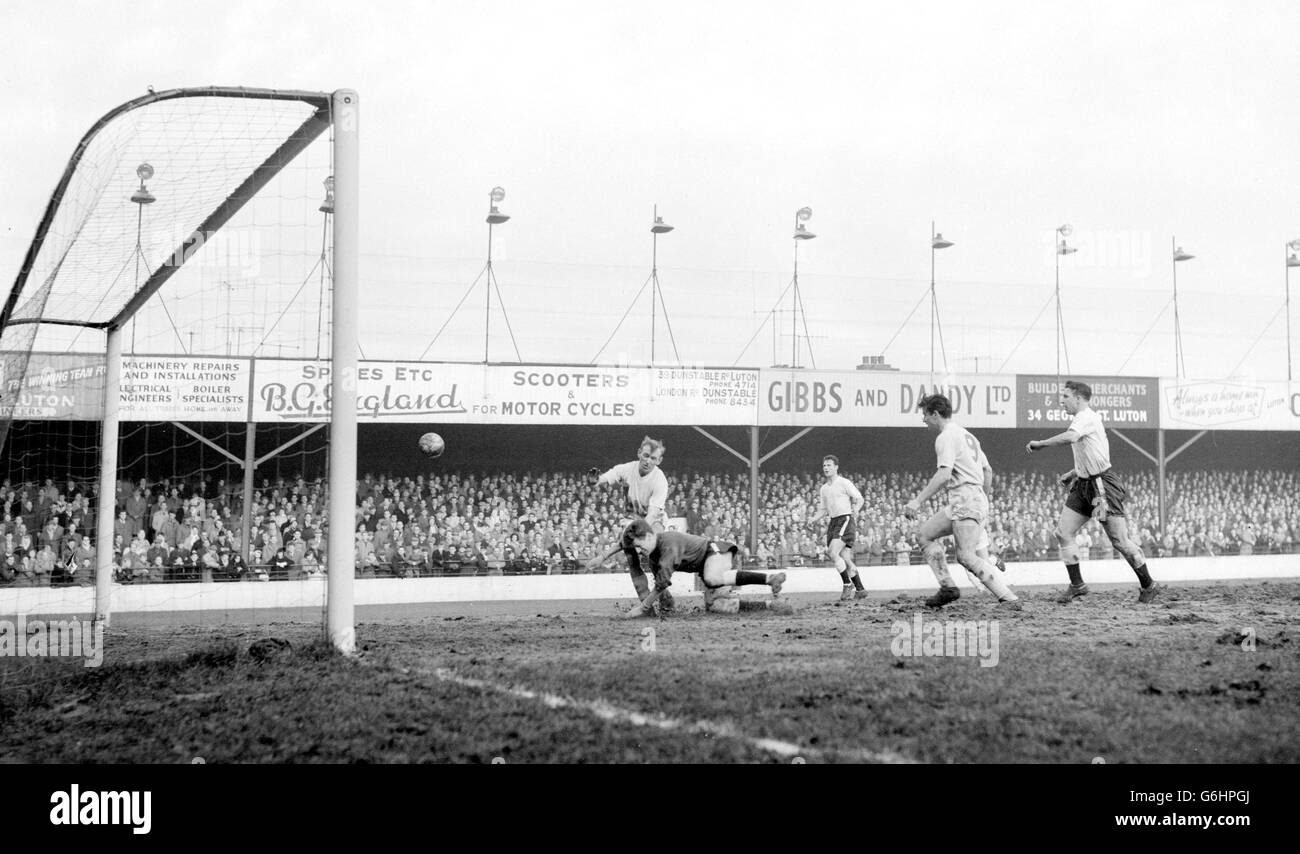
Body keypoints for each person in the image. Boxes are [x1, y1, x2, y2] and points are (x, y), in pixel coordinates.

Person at [1026, 379, 1160, 604]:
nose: (1061, 401)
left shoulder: (1086, 417)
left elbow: (1071, 437)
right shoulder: (1082, 419)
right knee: (1063, 532)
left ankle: (1149, 584)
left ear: (1078, 398)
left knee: (1119, 541)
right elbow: (1091, 453)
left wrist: (1041, 443)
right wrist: (1074, 472)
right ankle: (1077, 585)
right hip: (1083, 484)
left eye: (1065, 396)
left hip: (1102, 486)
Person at [904, 394, 1021, 610]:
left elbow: (944, 474)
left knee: (966, 556)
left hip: (966, 498)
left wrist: (917, 501)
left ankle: (1008, 598)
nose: (924, 420)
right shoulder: (968, 436)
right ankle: (948, 587)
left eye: (925, 415)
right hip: (972, 498)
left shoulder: (946, 437)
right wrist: (982, 497)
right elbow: (988, 470)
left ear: (936, 414)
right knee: (924, 535)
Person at [611, 519, 786, 617]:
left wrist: (642, 608)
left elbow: (662, 583)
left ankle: (769, 579)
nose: (640, 552)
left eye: (640, 547)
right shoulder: (654, 555)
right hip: (708, 564)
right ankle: (770, 605)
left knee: (711, 578)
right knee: (718, 606)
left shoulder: (668, 546)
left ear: (649, 536)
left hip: (716, 552)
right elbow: (660, 583)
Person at [585, 436, 676, 611]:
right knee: (631, 558)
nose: (648, 461)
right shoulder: (628, 469)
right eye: (646, 455)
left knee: (652, 557)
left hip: (654, 521)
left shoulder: (660, 480)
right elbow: (609, 475)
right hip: (631, 519)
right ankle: (645, 603)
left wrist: (636, 535)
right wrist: (596, 480)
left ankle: (665, 598)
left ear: (659, 461)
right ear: (639, 453)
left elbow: (652, 514)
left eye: (653, 458)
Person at [808, 455, 867, 601]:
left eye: (829, 465)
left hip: (845, 519)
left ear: (836, 467)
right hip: (834, 522)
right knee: (845, 558)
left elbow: (859, 498)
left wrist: (857, 508)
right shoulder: (824, 489)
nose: (826, 468)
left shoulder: (844, 483)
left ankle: (847, 584)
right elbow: (823, 509)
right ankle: (860, 589)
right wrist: (813, 519)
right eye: (824, 466)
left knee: (832, 552)